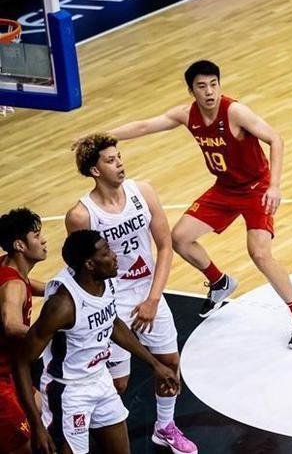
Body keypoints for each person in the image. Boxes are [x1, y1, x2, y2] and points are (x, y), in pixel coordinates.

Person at [101, 59, 292, 349]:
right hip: (225, 188)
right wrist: (100, 137)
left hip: (256, 187)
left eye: (214, 84)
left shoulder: (235, 112)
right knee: (179, 238)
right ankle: (219, 282)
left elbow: (275, 139)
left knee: (259, 253)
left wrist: (275, 185)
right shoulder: (187, 114)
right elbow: (144, 126)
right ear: (192, 91)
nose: (210, 91)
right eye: (202, 86)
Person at [66, 133, 196, 453]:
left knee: (169, 363)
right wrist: (99, 311)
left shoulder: (143, 192)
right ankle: (93, 436)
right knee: (118, 383)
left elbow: (165, 246)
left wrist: (153, 299)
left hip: (149, 291)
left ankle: (165, 427)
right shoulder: (81, 216)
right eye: (110, 160)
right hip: (112, 300)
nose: (120, 164)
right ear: (95, 170)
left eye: (119, 157)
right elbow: (85, 268)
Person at [13, 230, 179, 454]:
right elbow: (22, 362)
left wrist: (155, 364)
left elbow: (113, 322)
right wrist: (36, 425)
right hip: (69, 392)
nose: (115, 256)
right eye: (106, 253)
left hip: (100, 380)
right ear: (90, 264)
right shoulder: (63, 305)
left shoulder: (107, 281)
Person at [0, 208, 47, 454]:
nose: (44, 241)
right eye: (37, 236)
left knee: (40, 406)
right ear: (20, 245)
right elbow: (11, 324)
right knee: (25, 446)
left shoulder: (8, 267)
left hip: (10, 371)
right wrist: (47, 335)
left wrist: (64, 290)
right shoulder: (13, 284)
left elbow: (34, 286)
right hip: (2, 378)